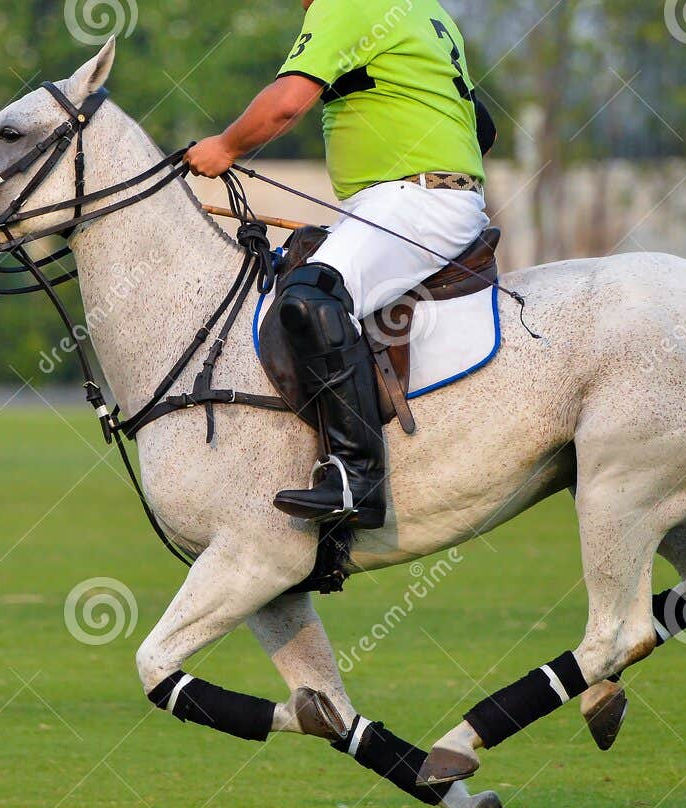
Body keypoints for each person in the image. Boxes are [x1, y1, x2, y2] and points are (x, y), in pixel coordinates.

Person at [186, 0, 495, 530]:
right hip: (411, 198)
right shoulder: (425, 10)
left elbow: (286, 104)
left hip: (414, 201)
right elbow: (481, 128)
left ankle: (357, 479)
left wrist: (226, 146)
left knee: (310, 298)